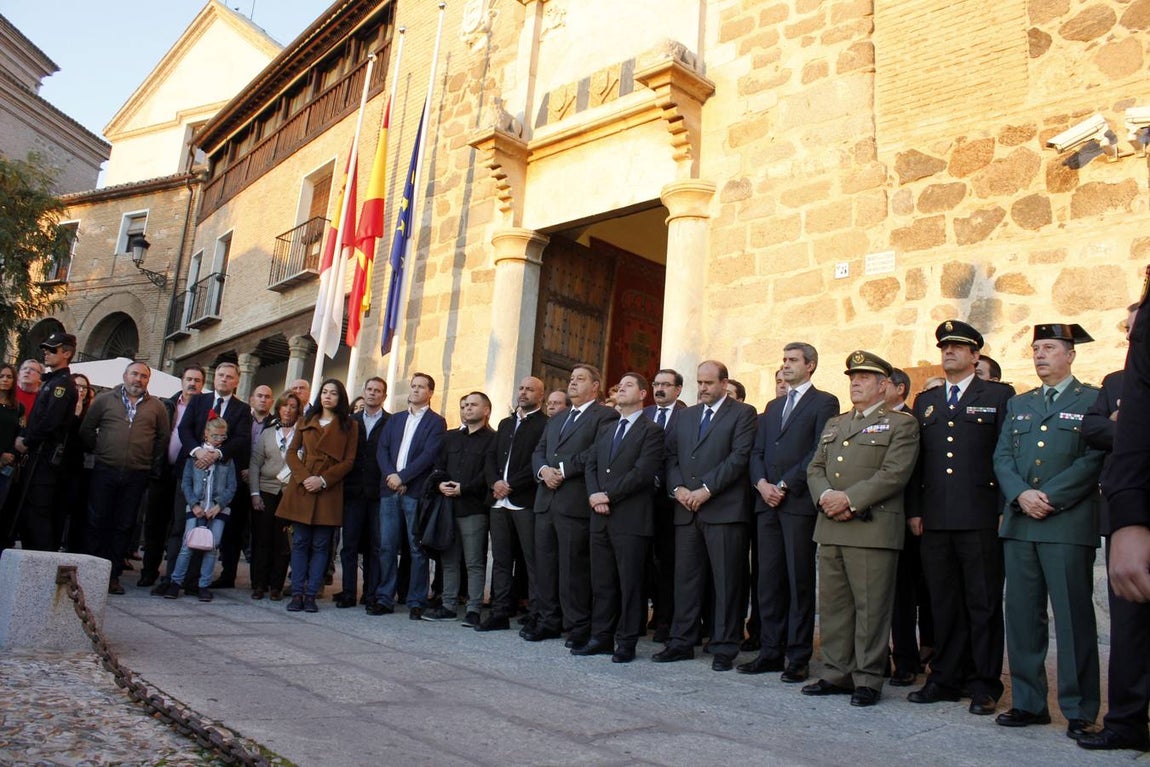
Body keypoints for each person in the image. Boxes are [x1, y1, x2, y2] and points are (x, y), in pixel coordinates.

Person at [992, 323, 1104, 739]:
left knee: (1074, 618)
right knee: (1022, 617)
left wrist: (1049, 497)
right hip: (1021, 524)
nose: (1040, 355)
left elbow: (1093, 458)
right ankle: (1028, 702)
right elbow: (1002, 457)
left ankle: (1078, 708)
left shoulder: (1092, 400)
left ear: (1070, 355)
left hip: (1066, 524)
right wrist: (1021, 495)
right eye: (1036, 348)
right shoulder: (1020, 404)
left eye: (1050, 348)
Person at [906, 320, 1014, 716]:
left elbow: (1005, 456)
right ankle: (945, 677)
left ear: (975, 355)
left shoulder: (999, 395)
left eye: (957, 347)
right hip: (935, 517)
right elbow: (919, 462)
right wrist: (915, 510)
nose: (948, 352)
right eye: (944, 346)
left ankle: (984, 682)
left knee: (983, 601)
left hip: (980, 515)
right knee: (943, 601)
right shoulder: (926, 401)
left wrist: (1004, 509)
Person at [802, 350, 919, 708]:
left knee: (871, 607)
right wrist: (826, 498)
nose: (855, 382)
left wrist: (848, 500)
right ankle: (837, 672)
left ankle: (868, 678)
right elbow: (815, 468)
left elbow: (894, 474)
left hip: (871, 527)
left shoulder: (902, 424)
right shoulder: (836, 423)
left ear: (884, 386)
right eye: (853, 377)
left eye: (865, 377)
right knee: (835, 606)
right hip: (831, 525)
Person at [741, 342, 838, 683]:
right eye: (783, 360)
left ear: (810, 365)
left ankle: (797, 656)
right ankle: (770, 651)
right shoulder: (773, 404)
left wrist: (783, 484)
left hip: (795, 503)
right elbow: (756, 451)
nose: (786, 366)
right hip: (765, 503)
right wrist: (762, 484)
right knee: (768, 581)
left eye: (793, 360)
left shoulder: (824, 402)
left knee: (798, 581)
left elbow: (818, 450)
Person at [653, 360, 757, 672]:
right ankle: (682, 641)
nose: (702, 388)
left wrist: (706, 490)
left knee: (726, 581)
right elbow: (670, 456)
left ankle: (725, 645)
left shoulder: (743, 413)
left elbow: (739, 457)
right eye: (699, 383)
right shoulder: (687, 416)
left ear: (725, 384)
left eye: (709, 383)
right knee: (685, 579)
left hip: (723, 510)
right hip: (686, 509)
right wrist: (679, 488)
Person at [1079, 302, 1150, 751]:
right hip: (1134, 505)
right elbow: (1093, 429)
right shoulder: (1117, 383)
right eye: (1127, 328)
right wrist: (1122, 427)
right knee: (1130, 625)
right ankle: (1125, 720)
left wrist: (1120, 427)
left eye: (1132, 327)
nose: (1130, 334)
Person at [526, 364, 619, 645]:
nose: (573, 383)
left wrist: (563, 471)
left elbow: (597, 451)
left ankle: (578, 625)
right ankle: (548, 620)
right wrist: (543, 471)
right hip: (546, 501)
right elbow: (539, 450)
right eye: (571, 379)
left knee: (572, 569)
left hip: (573, 501)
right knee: (545, 566)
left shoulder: (605, 415)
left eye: (580, 379)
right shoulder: (557, 418)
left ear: (595, 386)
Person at [576, 372, 664, 663]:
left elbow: (642, 472)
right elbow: (590, 464)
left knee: (630, 583)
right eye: (620, 385)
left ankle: (626, 641)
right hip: (599, 516)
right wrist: (593, 495)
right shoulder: (607, 428)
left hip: (631, 519)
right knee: (602, 581)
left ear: (642, 395)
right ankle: (601, 636)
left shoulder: (651, 431)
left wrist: (607, 495)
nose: (621, 389)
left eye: (628, 385)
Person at [80, 361, 170, 594]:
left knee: (124, 525)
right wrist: (100, 450)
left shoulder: (157, 407)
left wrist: (150, 463)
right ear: (125, 375)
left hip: (136, 474)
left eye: (143, 376)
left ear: (148, 381)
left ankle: (113, 575)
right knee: (96, 521)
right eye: (134, 374)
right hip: (105, 470)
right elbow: (87, 430)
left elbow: (162, 439)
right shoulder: (104, 400)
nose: (138, 379)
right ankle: (91, 572)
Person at [276, 379, 358, 613]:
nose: (328, 396)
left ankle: (312, 594)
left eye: (333, 393)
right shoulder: (306, 420)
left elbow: (349, 461)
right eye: (324, 392)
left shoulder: (349, 425)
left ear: (340, 397)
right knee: (300, 542)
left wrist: (322, 480)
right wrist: (304, 478)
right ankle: (297, 592)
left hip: (328, 488)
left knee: (322, 545)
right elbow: (292, 453)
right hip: (303, 486)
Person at [173, 362, 251, 591]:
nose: (224, 379)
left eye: (229, 377)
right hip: (192, 472)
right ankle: (175, 579)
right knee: (182, 527)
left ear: (236, 381)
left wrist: (217, 453)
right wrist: (198, 452)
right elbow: (184, 429)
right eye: (220, 375)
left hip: (221, 479)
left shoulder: (241, 409)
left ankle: (198, 582)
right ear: (214, 378)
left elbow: (242, 438)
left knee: (211, 535)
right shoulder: (199, 400)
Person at [478, 376, 548, 632]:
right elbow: (491, 457)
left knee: (532, 559)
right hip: (498, 501)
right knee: (501, 559)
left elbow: (537, 461)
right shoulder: (505, 423)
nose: (523, 392)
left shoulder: (545, 425)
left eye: (530, 389)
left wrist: (511, 485)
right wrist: (495, 482)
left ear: (540, 395)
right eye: (521, 388)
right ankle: (499, 611)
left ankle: (535, 613)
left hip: (524, 501)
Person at [374, 373, 446, 618]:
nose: (415, 390)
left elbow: (429, 455)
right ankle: (385, 597)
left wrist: (403, 478)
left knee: (417, 548)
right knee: (387, 546)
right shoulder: (395, 419)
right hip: (389, 490)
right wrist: (392, 477)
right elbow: (382, 450)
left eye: (421, 387)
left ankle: (416, 599)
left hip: (414, 492)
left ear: (430, 392)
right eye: (413, 386)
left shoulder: (437, 422)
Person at [425, 391, 496, 625]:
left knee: (474, 561)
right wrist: (441, 483)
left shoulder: (493, 439)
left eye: (473, 405)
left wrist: (463, 488)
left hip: (473, 509)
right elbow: (438, 466)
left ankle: (474, 608)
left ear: (486, 410)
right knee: (449, 560)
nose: (467, 409)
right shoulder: (450, 438)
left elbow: (488, 474)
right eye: (464, 405)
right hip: (447, 508)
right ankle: (448, 605)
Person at [883, 367, 934, 687]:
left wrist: (916, 512)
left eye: (883, 382)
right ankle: (895, 655)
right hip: (878, 516)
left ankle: (908, 657)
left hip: (908, 518)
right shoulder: (870, 419)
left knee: (908, 592)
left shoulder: (915, 420)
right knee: (889, 594)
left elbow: (918, 472)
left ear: (900, 389)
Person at [13, 332, 78, 551]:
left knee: (38, 513)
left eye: (53, 350)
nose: (46, 353)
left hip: (45, 457)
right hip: (37, 456)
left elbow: (51, 421)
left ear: (67, 353)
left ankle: (39, 563)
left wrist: (27, 441)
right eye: (46, 349)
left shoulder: (62, 384)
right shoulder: (52, 381)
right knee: (29, 511)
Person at [143, 364, 206, 590]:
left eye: (197, 380)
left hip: (187, 476)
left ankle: (174, 575)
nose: (192, 384)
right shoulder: (166, 405)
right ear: (181, 381)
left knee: (180, 524)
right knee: (154, 523)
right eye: (189, 379)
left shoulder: (206, 410)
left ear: (203, 384)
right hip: (161, 471)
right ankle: (149, 571)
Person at [163, 418, 237, 602]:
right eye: (214, 435)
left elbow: (232, 486)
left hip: (218, 510)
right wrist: (194, 504)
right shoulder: (193, 456)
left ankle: (203, 585)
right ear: (206, 434)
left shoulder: (226, 459)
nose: (219, 439)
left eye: (223, 436)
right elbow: (186, 482)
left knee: (212, 546)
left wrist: (219, 505)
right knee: (187, 545)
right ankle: (175, 582)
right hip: (196, 508)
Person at [642, 368, 687, 643]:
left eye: (666, 385)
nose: (660, 389)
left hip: (670, 502)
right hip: (640, 500)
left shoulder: (687, 417)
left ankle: (666, 619)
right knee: (644, 561)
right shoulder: (644, 415)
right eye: (656, 384)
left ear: (678, 390)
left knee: (668, 563)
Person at [249, 392, 302, 601]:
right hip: (266, 490)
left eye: (293, 406)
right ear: (279, 409)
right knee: (262, 539)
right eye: (284, 406)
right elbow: (255, 464)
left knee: (283, 542)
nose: (288, 410)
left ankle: (275, 586)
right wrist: (254, 493)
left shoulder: (303, 434)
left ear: (298, 410)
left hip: (290, 494)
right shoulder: (268, 433)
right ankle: (259, 584)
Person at [341, 377, 388, 610]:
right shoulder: (351, 421)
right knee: (349, 545)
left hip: (378, 493)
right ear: (364, 392)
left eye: (377, 391)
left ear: (384, 396)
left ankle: (371, 593)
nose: (372, 394)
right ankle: (348, 592)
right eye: (369, 389)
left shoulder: (391, 422)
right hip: (352, 492)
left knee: (375, 546)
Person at [62, 373, 96, 554]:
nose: (80, 391)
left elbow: (89, 441)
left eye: (84, 388)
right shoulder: (60, 408)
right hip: (59, 466)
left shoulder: (91, 412)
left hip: (80, 468)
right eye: (77, 386)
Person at [0, 364, 23, 517]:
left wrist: (10, 455)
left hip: (7, 464)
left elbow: (20, 434)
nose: (5, 380)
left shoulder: (19, 408)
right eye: (1, 376)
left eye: (9, 377)